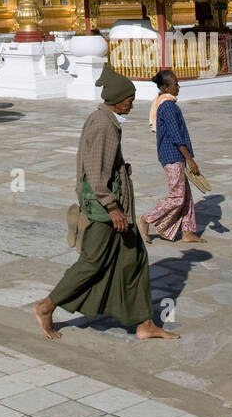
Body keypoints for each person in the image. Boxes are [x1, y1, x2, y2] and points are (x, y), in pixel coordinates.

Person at [33, 64, 178, 342]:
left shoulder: (104, 121)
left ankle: (145, 323)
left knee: (134, 258)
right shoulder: (103, 126)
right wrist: (113, 207)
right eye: (130, 100)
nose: (131, 105)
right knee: (92, 262)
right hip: (106, 212)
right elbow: (97, 172)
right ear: (117, 99)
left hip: (114, 209)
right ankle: (45, 306)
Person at [139, 70, 201, 243]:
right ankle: (147, 219)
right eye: (175, 84)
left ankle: (187, 231)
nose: (178, 87)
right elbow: (175, 135)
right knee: (177, 196)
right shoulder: (167, 106)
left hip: (175, 155)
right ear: (166, 87)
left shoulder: (167, 103)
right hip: (172, 155)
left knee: (186, 195)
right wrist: (189, 158)